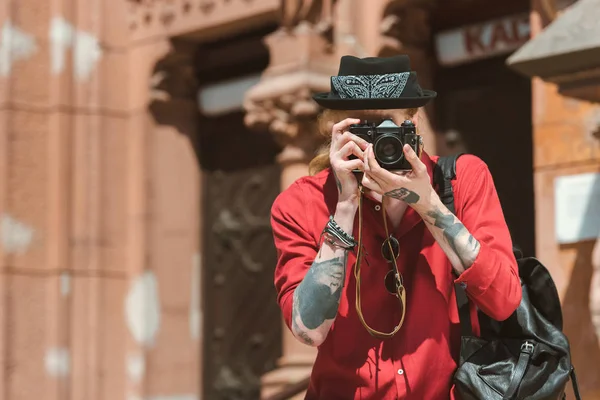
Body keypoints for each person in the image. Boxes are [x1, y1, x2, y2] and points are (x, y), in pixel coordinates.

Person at [270, 55, 522, 399]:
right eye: (362, 130)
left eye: (387, 128)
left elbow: (504, 301)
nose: (375, 146)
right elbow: (308, 331)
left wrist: (427, 202)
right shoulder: (301, 203)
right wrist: (345, 205)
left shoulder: (463, 180)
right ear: (336, 131)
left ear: (413, 123)